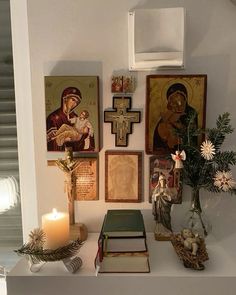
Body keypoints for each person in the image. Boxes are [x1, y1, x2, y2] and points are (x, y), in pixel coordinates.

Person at [153, 83, 198, 153]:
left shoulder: (191, 112)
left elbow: (192, 134)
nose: (175, 103)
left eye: (178, 98)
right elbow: (158, 138)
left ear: (185, 98)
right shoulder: (168, 114)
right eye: (172, 100)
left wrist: (178, 126)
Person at [46, 87, 94, 151]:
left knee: (66, 132)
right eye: (73, 100)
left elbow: (87, 133)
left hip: (75, 139)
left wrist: (86, 133)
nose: (74, 104)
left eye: (77, 102)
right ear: (65, 99)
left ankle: (59, 139)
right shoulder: (53, 117)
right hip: (58, 154)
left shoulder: (75, 116)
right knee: (64, 126)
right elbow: (48, 143)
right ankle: (57, 137)